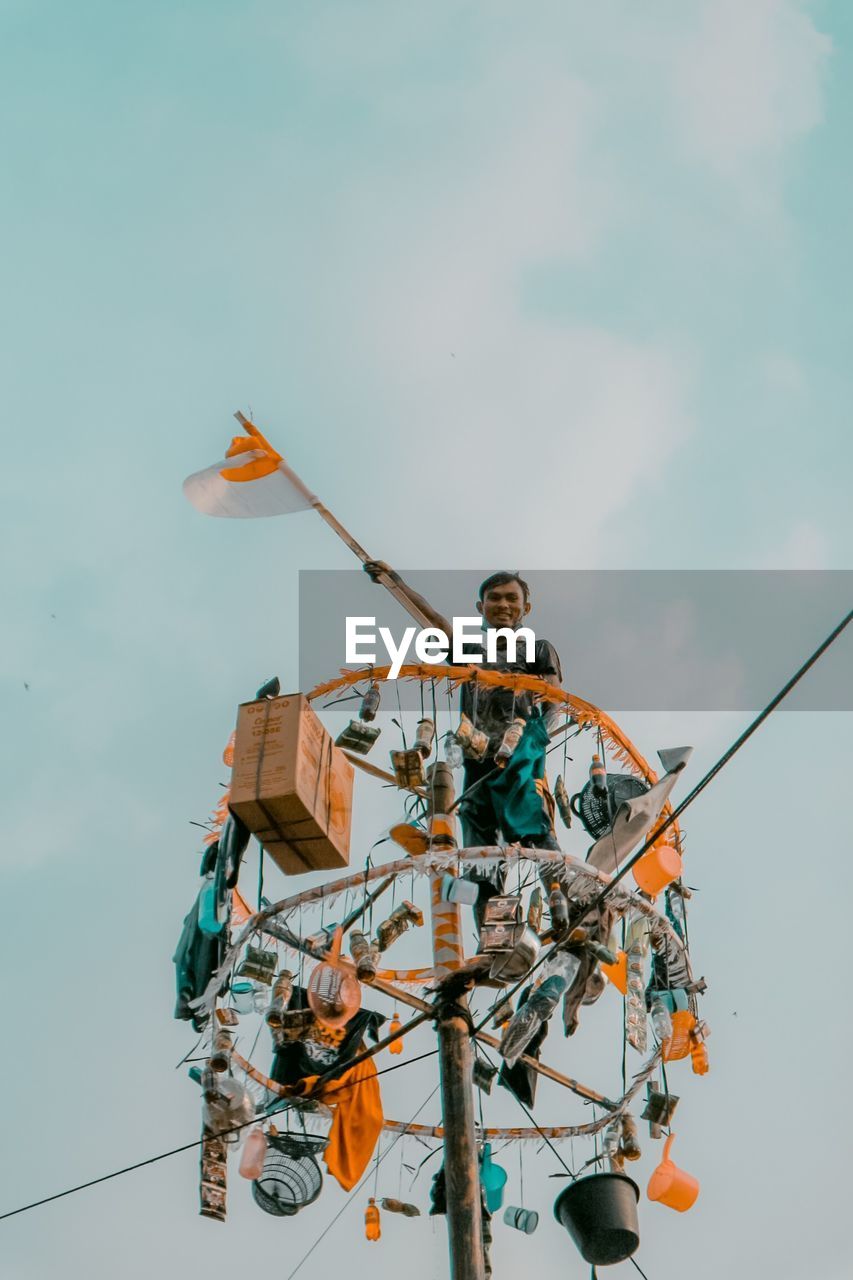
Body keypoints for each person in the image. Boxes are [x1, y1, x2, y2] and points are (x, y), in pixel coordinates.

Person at [363, 563, 564, 909]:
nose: (503, 605)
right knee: (479, 853)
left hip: (520, 754)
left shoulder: (537, 649)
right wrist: (394, 583)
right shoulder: (469, 652)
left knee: (531, 821)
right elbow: (434, 622)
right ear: (480, 608)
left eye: (512, 599)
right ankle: (490, 941)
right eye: (494, 598)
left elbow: (553, 699)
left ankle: (565, 901)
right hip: (477, 759)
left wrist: (537, 738)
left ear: (525, 608)